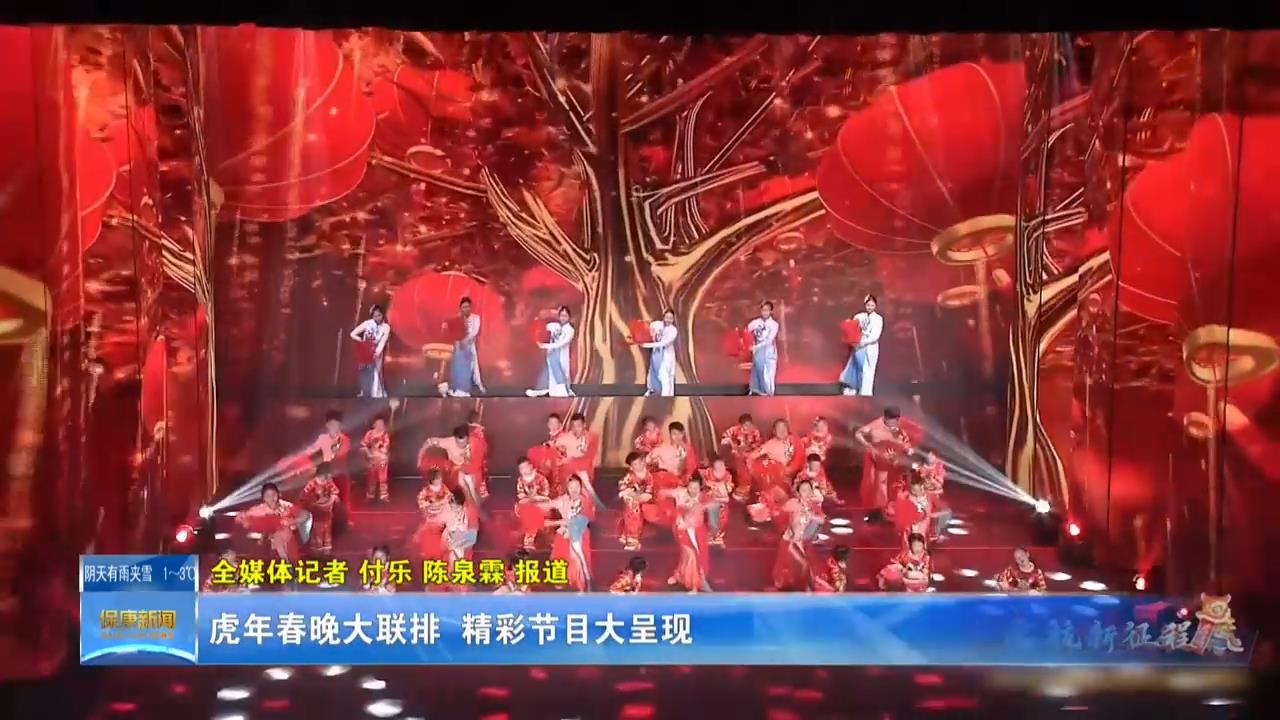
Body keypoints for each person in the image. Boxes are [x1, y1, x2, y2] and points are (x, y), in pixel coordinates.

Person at [855, 406, 921, 520]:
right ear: (885, 418)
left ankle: (893, 510)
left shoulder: (900, 427)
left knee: (895, 486)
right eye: (892, 420)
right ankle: (878, 511)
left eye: (896, 420)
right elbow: (858, 433)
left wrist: (908, 449)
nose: (894, 423)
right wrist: (869, 446)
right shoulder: (875, 425)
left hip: (895, 461)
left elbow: (905, 442)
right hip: (880, 461)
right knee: (880, 487)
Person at [536, 473, 596, 592]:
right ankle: (561, 579)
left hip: (579, 534)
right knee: (559, 557)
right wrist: (534, 504)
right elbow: (545, 506)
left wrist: (566, 525)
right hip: (563, 532)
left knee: (578, 561)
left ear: (581, 487)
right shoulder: (563, 500)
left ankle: (581, 584)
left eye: (577, 486)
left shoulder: (585, 501)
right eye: (571, 487)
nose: (574, 490)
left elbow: (585, 519)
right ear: (567, 488)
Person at [659, 476, 714, 592]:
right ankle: (680, 575)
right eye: (690, 487)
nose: (693, 490)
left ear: (700, 488)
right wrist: (670, 511)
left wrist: (702, 507)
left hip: (696, 532)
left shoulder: (703, 497)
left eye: (696, 488)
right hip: (681, 529)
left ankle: (696, 584)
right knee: (685, 555)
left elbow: (714, 503)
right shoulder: (680, 493)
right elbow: (661, 493)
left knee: (694, 557)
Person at [236, 482, 309, 564]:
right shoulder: (260, 509)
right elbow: (243, 517)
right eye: (267, 496)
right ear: (263, 498)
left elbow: (305, 514)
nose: (271, 498)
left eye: (273, 494)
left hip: (288, 541)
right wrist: (246, 522)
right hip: (270, 545)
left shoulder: (285, 506)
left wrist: (292, 521)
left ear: (279, 494)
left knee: (294, 563)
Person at [772, 479, 824, 591]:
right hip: (790, 541)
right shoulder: (793, 503)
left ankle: (806, 588)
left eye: (808, 490)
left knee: (803, 566)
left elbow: (822, 519)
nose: (806, 492)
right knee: (804, 564)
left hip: (800, 541)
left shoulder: (812, 505)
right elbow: (779, 512)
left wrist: (811, 516)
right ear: (798, 492)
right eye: (803, 490)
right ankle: (804, 589)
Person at [306, 410, 355, 517]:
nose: (334, 427)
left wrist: (332, 452)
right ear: (327, 425)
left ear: (340, 425)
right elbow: (311, 451)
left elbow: (341, 453)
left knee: (343, 499)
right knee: (325, 500)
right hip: (325, 475)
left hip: (340, 474)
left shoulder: (344, 439)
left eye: (336, 424)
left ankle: (345, 520)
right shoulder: (322, 438)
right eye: (331, 424)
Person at [418, 425, 483, 504]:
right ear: (455, 438)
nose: (461, 445)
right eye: (459, 443)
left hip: (469, 467)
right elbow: (429, 441)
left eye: (464, 442)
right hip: (455, 469)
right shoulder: (449, 442)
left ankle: (477, 507)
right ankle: (469, 506)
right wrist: (419, 457)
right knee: (464, 486)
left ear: (468, 437)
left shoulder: (474, 442)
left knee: (474, 490)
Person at [440, 296, 485, 398]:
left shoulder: (476, 318)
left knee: (470, 368)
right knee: (457, 368)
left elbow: (475, 332)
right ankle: (457, 389)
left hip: (469, 346)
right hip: (459, 346)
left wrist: (466, 341)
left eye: (468, 306)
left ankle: (470, 388)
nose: (466, 309)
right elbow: (451, 329)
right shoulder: (457, 318)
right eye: (464, 307)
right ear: (461, 308)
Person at [526, 305, 575, 397]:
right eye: (561, 315)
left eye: (565, 316)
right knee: (549, 375)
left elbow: (562, 343)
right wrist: (542, 316)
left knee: (563, 375)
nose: (563, 318)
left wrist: (545, 346)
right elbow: (540, 327)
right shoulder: (554, 326)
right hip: (552, 355)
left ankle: (564, 391)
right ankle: (541, 391)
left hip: (562, 357)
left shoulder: (570, 330)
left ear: (569, 317)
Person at [841, 294, 883, 396]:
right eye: (868, 305)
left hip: (870, 347)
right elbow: (853, 327)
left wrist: (863, 341)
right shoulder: (860, 316)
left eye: (872, 305)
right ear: (865, 305)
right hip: (858, 346)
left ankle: (865, 392)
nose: (870, 307)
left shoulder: (878, 318)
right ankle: (853, 388)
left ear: (875, 306)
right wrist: (849, 325)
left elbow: (875, 336)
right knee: (855, 367)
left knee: (867, 370)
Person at [749, 419, 801, 502]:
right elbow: (751, 456)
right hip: (777, 481)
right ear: (774, 431)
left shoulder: (793, 441)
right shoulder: (769, 444)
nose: (782, 430)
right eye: (779, 428)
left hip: (791, 477)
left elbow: (800, 456)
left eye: (784, 427)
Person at [550, 413, 599, 499]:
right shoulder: (564, 438)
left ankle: (588, 500)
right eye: (573, 426)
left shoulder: (592, 437)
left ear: (584, 425)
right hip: (568, 473)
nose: (576, 429)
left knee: (584, 478)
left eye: (579, 426)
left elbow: (589, 458)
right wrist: (559, 450)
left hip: (585, 471)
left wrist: (570, 460)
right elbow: (555, 452)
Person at [299, 462, 342, 556]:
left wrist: (332, 499)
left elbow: (335, 491)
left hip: (327, 513)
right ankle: (317, 552)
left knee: (327, 531)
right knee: (317, 532)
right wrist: (313, 502)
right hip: (317, 513)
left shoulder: (328, 482)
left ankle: (326, 551)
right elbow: (303, 496)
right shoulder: (312, 484)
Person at [890, 476, 944, 549]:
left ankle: (921, 552)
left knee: (921, 537)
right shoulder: (908, 495)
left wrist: (933, 481)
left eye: (917, 489)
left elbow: (940, 490)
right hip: (911, 523)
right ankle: (908, 552)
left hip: (923, 523)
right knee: (908, 538)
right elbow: (899, 500)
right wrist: (899, 490)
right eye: (913, 489)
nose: (915, 491)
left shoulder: (928, 495)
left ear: (922, 487)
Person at [350, 304, 391, 398]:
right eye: (374, 316)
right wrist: (361, 341)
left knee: (376, 372)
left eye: (379, 315)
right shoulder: (367, 323)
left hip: (377, 352)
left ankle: (375, 395)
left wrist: (377, 352)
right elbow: (352, 334)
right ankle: (365, 393)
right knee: (365, 372)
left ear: (382, 314)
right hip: (366, 351)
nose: (377, 318)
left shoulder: (386, 327)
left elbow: (383, 341)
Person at [442, 488, 480, 591]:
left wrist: (455, 540)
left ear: (462, 505)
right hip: (449, 552)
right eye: (452, 507)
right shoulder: (448, 510)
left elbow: (472, 537)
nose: (454, 510)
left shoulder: (470, 512)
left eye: (457, 508)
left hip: (463, 552)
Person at [617, 451, 655, 551]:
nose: (639, 465)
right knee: (632, 515)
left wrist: (644, 495)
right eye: (635, 464)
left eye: (640, 462)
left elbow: (650, 488)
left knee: (638, 517)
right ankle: (632, 540)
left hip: (644, 497)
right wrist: (630, 492)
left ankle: (631, 536)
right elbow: (622, 485)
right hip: (631, 498)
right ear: (631, 467)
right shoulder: (630, 476)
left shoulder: (648, 475)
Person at [411, 470, 452, 561]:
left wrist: (440, 502)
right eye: (436, 481)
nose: (438, 484)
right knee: (424, 530)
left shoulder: (444, 488)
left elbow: (449, 498)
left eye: (439, 480)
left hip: (441, 515)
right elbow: (421, 503)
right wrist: (429, 502)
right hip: (429, 516)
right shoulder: (425, 491)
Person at [721, 413, 762, 502]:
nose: (747, 427)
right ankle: (743, 487)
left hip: (750, 454)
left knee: (751, 463)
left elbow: (759, 444)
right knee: (739, 462)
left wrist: (749, 447)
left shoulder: (755, 431)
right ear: (740, 424)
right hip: (737, 454)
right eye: (745, 425)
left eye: (749, 424)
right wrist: (733, 444)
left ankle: (750, 487)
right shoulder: (734, 429)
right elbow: (724, 437)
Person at [513, 456, 551, 551]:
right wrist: (531, 497)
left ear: (531, 466)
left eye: (525, 467)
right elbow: (521, 497)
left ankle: (529, 538)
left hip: (541, 504)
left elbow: (545, 496)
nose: (524, 470)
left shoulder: (541, 478)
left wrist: (533, 498)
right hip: (527, 505)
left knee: (533, 509)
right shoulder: (520, 481)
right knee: (525, 507)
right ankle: (529, 537)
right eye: (521, 469)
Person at [641, 309, 679, 397]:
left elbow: (664, 343)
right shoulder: (657, 324)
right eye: (667, 317)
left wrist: (647, 345)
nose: (668, 320)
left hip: (666, 356)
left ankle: (666, 396)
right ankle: (651, 390)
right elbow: (649, 327)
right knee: (652, 372)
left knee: (665, 376)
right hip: (656, 354)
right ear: (663, 316)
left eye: (671, 318)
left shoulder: (673, 330)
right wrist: (650, 331)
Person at [747, 300, 780, 396]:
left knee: (769, 375)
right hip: (758, 352)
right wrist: (749, 343)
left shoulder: (774, 324)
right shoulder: (755, 322)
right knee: (757, 372)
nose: (765, 312)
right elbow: (746, 331)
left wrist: (756, 347)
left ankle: (769, 394)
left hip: (769, 352)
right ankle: (756, 390)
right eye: (763, 310)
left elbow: (769, 340)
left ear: (770, 311)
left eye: (767, 310)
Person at [700, 457, 734, 546]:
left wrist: (722, 487)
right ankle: (710, 535)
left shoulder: (727, 475)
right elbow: (705, 485)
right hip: (709, 498)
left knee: (722, 516)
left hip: (721, 500)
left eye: (722, 467)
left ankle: (717, 535)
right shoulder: (708, 473)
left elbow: (728, 490)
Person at [527, 413, 566, 481]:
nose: (553, 425)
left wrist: (553, 446)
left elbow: (564, 449)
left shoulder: (563, 435)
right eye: (551, 423)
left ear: (560, 424)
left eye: (555, 423)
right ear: (548, 424)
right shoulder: (552, 435)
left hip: (560, 460)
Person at [360, 417, 391, 503]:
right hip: (372, 459)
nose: (380, 426)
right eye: (378, 424)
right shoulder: (369, 434)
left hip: (382, 459)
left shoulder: (385, 434)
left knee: (383, 478)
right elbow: (364, 445)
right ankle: (370, 495)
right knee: (371, 477)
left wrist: (380, 451)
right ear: (374, 425)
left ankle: (384, 496)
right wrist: (368, 453)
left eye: (382, 424)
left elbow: (385, 447)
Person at [466, 410, 490, 500]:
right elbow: (484, 446)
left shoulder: (466, 430)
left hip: (468, 460)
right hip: (476, 459)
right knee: (478, 478)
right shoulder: (478, 431)